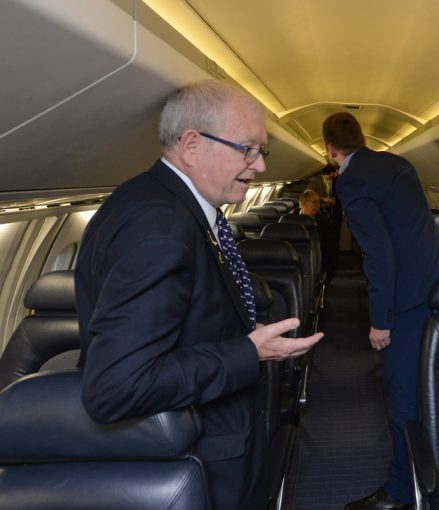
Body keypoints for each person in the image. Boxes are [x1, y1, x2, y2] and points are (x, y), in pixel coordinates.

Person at [75, 80, 323, 510]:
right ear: (191, 145)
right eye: (248, 149)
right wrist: (249, 352)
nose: (260, 165)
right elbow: (116, 387)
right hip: (193, 461)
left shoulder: (151, 199)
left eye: (263, 151)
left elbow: (186, 317)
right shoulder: (161, 231)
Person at [323, 112, 439, 510]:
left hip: (407, 302)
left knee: (403, 397)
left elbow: (378, 253)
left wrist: (380, 320)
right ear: (362, 138)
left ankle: (401, 493)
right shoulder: (399, 163)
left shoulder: (350, 181)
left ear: (330, 150)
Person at [307, 163, 342, 281]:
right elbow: (308, 195)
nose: (337, 174)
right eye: (336, 172)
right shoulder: (315, 181)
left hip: (329, 213)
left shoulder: (333, 181)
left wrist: (331, 201)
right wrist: (323, 199)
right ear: (331, 172)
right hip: (319, 213)